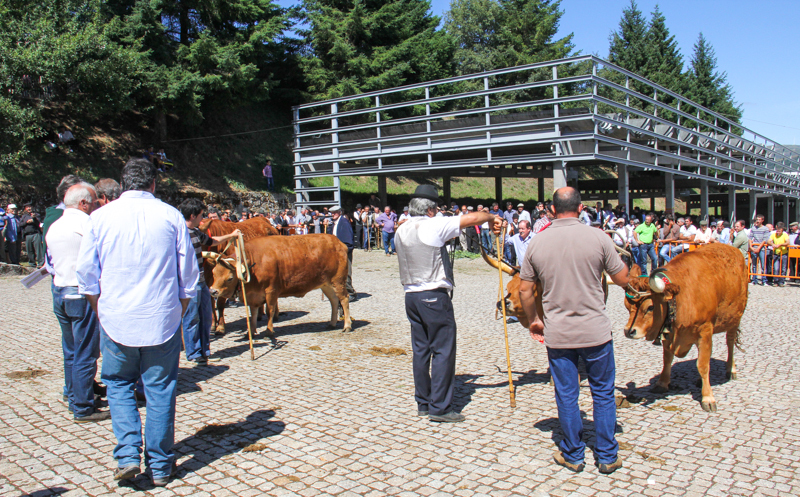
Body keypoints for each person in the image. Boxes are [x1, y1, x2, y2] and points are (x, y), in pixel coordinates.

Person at [76, 158, 198, 486]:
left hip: (116, 318)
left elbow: (86, 274)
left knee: (118, 385)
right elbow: (188, 276)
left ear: (123, 183)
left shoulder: (100, 217)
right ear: (153, 184)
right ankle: (159, 466)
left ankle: (128, 454)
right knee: (159, 389)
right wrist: (178, 310)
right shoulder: (171, 216)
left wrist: (100, 309)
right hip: (161, 318)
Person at [517, 187, 629, 475]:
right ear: (581, 209)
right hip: (596, 332)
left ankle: (573, 454)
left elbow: (525, 289)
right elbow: (623, 278)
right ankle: (606, 455)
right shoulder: (599, 237)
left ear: (552, 211)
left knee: (566, 394)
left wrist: (535, 319)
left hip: (559, 333)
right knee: (603, 393)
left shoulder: (537, 243)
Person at [395, 184, 501, 423]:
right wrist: (492, 216)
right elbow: (475, 217)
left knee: (420, 350)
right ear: (431, 210)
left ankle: (423, 401)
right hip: (433, 293)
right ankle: (440, 408)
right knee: (443, 350)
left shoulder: (402, 228)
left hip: (410, 294)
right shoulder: (434, 224)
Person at [46, 183, 110, 422]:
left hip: (60, 290)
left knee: (71, 350)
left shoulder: (54, 226)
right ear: (83, 203)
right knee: (86, 352)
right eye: (94, 203)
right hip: (80, 293)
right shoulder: (86, 224)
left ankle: (75, 394)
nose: (95, 207)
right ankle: (83, 406)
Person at [178, 198, 241, 364]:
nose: (203, 219)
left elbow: (212, 241)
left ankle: (204, 349)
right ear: (192, 216)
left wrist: (231, 236)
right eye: (200, 215)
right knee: (192, 318)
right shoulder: (178, 233)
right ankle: (193, 352)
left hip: (200, 280)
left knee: (205, 315)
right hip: (187, 282)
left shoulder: (197, 232)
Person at [329, 206, 356, 300]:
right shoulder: (334, 223)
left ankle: (351, 293)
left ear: (339, 212)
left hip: (344, 252)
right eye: (331, 213)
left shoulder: (344, 223)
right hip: (336, 253)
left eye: (335, 212)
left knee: (346, 272)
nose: (333, 214)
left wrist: (345, 250)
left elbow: (348, 240)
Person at [748, 214, 770, 285]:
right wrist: (751, 247)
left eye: (759, 219)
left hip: (762, 248)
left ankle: (764, 280)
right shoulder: (753, 228)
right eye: (756, 219)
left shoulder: (765, 229)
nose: (757, 221)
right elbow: (750, 238)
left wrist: (759, 248)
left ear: (762, 220)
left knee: (763, 265)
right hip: (754, 247)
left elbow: (764, 240)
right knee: (754, 265)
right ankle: (755, 280)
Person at [768, 222, 789, 287]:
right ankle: (776, 281)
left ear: (782, 230)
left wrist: (780, 244)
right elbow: (769, 241)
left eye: (779, 231)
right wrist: (773, 244)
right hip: (776, 253)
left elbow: (788, 242)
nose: (778, 232)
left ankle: (781, 281)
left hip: (783, 253)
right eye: (777, 231)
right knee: (776, 268)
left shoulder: (785, 234)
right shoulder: (773, 234)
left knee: (783, 268)